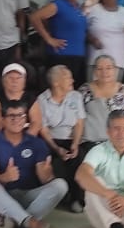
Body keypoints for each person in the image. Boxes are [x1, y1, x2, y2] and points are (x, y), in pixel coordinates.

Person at [0, 102, 67, 228]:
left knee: (60, 185)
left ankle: (18, 220)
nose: (17, 120)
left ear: (26, 119)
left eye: (21, 116)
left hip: (28, 195)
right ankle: (29, 222)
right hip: (2, 197)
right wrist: (5, 177)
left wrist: (47, 174)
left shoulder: (37, 143)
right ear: (3, 120)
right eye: (11, 116)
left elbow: (44, 179)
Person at [36, 64, 86, 210]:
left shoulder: (76, 96)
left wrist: (75, 144)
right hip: (50, 140)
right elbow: (43, 129)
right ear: (56, 83)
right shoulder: (42, 100)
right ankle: (59, 197)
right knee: (53, 161)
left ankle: (77, 199)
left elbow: (79, 123)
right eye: (68, 78)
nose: (72, 80)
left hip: (71, 139)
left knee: (80, 158)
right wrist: (56, 148)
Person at [31, 0, 89, 86]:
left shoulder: (77, 7)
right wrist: (49, 39)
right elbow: (34, 17)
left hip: (78, 57)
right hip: (62, 56)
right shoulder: (57, 4)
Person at [78, 55, 124, 152]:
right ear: (94, 71)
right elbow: (77, 119)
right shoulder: (85, 90)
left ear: (115, 70)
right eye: (99, 68)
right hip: (91, 144)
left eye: (108, 68)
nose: (104, 72)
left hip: (119, 143)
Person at [0, 63, 44, 135]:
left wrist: (25, 139)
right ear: (3, 80)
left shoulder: (30, 98)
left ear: (24, 80)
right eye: (10, 78)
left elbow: (36, 123)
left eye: (18, 78)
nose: (14, 81)